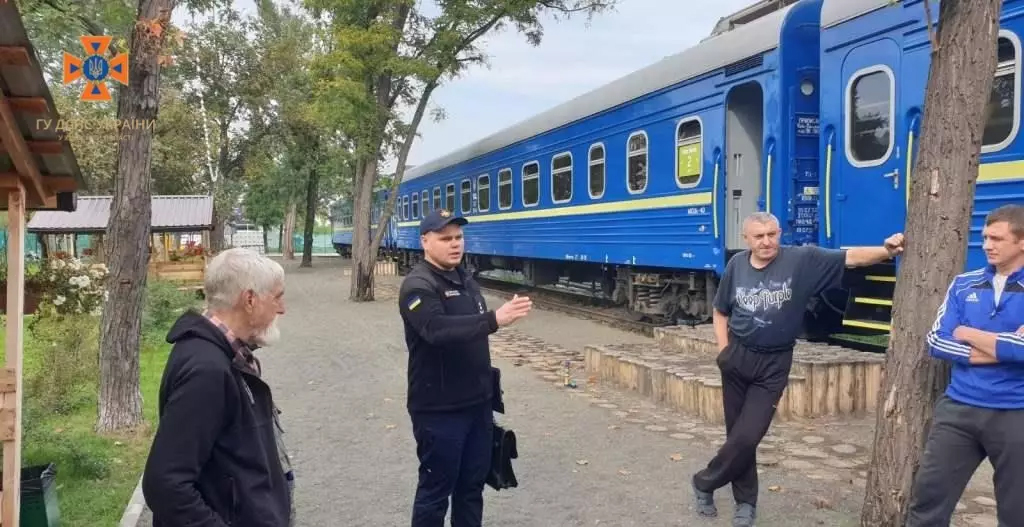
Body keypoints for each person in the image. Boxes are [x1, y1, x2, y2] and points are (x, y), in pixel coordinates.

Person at [691, 212, 905, 526]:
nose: (767, 242)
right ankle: (745, 504)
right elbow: (720, 311)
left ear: (779, 233)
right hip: (737, 358)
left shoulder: (801, 261)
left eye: (772, 234)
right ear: (747, 239)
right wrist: (723, 351)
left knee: (748, 436)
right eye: (759, 236)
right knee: (736, 435)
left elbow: (851, 258)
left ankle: (704, 481)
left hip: (774, 364)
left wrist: (887, 250)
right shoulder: (736, 265)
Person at [398, 208, 533, 527]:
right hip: (439, 410)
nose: (455, 244)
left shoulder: (465, 279)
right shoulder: (418, 286)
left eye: (459, 237)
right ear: (425, 242)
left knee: (471, 488)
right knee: (435, 491)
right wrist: (494, 319)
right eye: (446, 238)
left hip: (477, 406)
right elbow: (436, 330)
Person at [142, 248, 291, 527]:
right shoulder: (207, 370)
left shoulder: (224, 356)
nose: (282, 308)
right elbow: (165, 485)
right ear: (249, 299)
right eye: (278, 297)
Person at [906, 204, 1024, 526]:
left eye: (997, 238)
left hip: (1016, 413)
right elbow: (937, 340)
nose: (987, 245)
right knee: (926, 503)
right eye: (985, 237)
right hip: (959, 410)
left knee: (1017, 514)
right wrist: (1002, 346)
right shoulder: (963, 284)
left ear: (1022, 242)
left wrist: (968, 333)